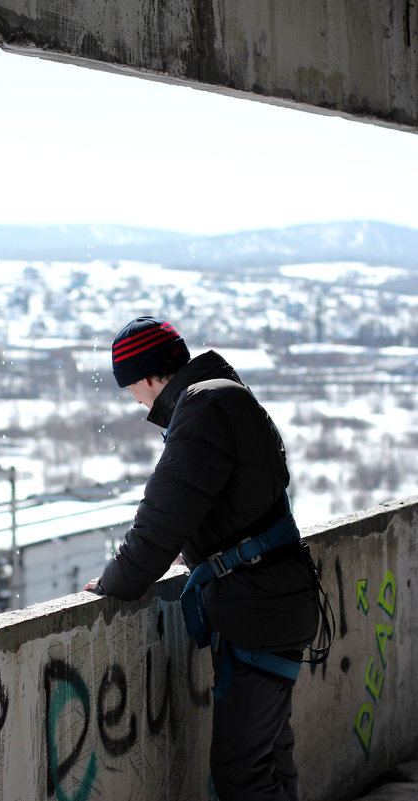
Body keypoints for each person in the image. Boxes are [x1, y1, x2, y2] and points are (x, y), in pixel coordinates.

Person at [85, 316, 321, 801]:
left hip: (259, 608)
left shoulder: (203, 408)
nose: (134, 399)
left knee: (242, 772)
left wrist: (115, 582)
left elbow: (161, 520)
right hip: (274, 597)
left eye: (131, 386)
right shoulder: (224, 395)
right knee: (269, 759)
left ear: (149, 376)